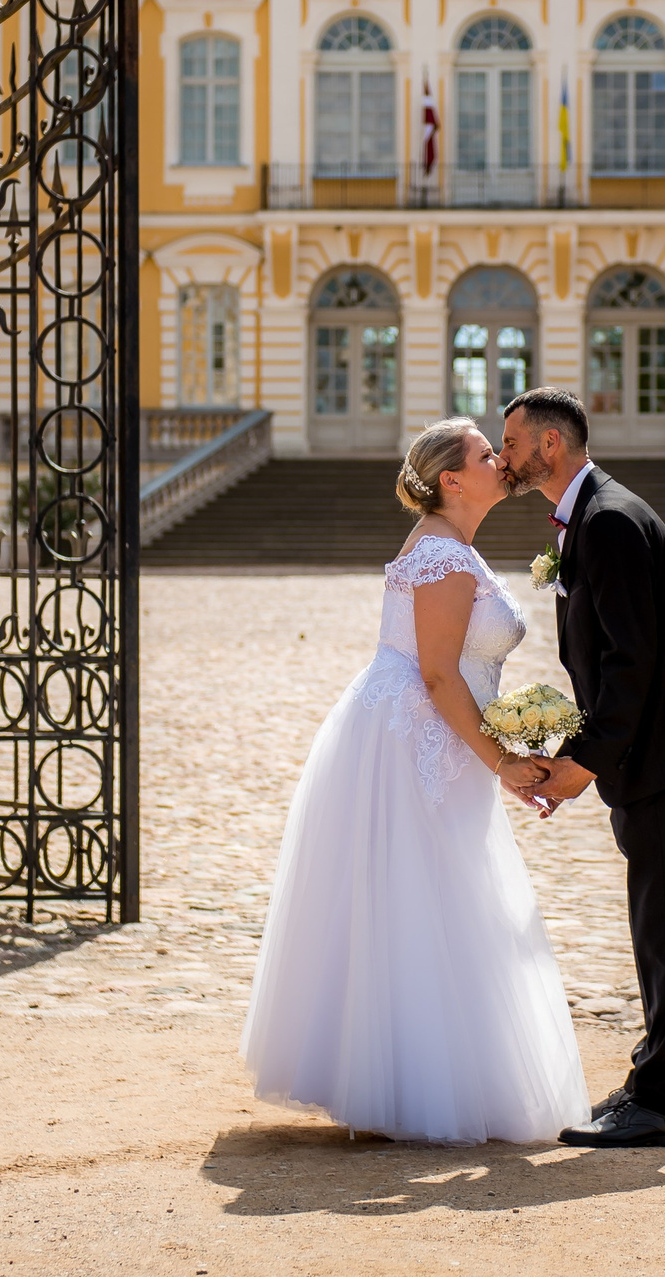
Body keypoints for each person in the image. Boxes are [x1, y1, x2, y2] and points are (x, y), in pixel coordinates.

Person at [238, 417, 590, 1144]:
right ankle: (411, 1081)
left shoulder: (453, 546)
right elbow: (435, 674)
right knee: (425, 896)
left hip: (433, 732)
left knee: (427, 897)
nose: (503, 458)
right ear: (453, 479)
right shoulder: (441, 555)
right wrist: (503, 758)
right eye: (488, 452)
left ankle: (406, 1074)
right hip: (415, 738)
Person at [497, 386, 665, 1149]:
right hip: (653, 748)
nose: (502, 456)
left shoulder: (606, 520)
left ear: (549, 446)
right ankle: (651, 1080)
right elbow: (615, 659)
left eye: (510, 443)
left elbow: (631, 665)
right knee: (655, 923)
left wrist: (580, 766)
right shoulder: (595, 513)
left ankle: (662, 1101)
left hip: (662, 749)